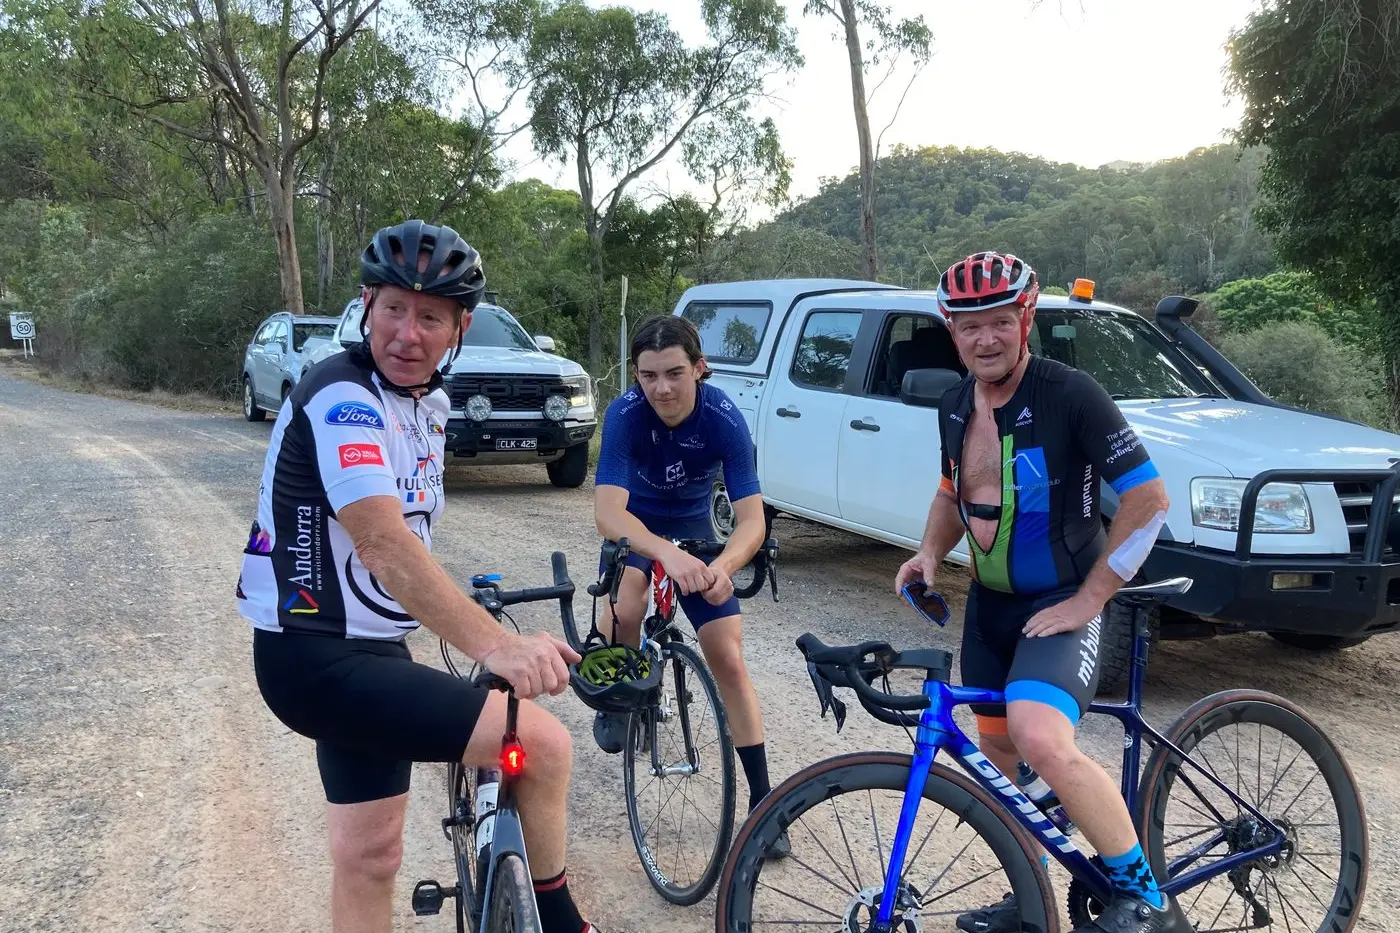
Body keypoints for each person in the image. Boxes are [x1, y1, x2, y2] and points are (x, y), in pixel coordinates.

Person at [234, 219, 599, 933]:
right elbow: (384, 545)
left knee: (369, 852)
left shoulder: (425, 402)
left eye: (429, 316)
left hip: (371, 650)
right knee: (545, 748)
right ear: (366, 305)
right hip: (314, 655)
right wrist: (495, 642)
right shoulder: (342, 395)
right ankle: (563, 922)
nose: (408, 331)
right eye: (394, 308)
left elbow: (411, 539)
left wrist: (462, 609)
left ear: (460, 326)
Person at [894, 252, 1187, 933]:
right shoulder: (952, 405)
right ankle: (1030, 897)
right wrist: (929, 553)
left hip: (1063, 603)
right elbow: (951, 490)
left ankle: (1147, 897)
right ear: (951, 330)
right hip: (990, 610)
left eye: (1000, 322)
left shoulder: (1069, 392)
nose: (986, 339)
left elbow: (1150, 498)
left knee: (1040, 737)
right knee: (999, 761)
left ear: (1025, 319)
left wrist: (1091, 599)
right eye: (970, 327)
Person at [591, 315, 788, 858]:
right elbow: (609, 514)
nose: (661, 388)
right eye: (648, 375)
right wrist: (663, 553)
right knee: (625, 608)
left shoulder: (724, 417)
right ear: (636, 375)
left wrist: (723, 567)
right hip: (641, 527)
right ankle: (621, 697)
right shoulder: (627, 414)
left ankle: (763, 801)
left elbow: (752, 522)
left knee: (727, 656)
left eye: (675, 373)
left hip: (699, 532)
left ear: (700, 369)